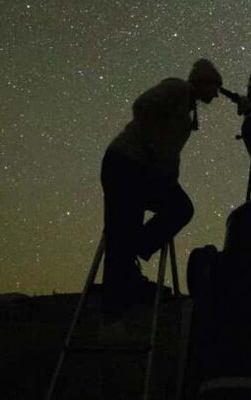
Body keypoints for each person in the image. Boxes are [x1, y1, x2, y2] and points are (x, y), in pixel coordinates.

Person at [100, 58, 222, 321]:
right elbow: (141, 105)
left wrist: (167, 174)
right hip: (127, 165)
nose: (216, 94)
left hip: (139, 170)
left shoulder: (186, 109)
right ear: (203, 83)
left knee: (142, 222)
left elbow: (171, 153)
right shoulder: (178, 89)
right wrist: (151, 147)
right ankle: (124, 275)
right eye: (215, 87)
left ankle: (125, 270)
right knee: (171, 212)